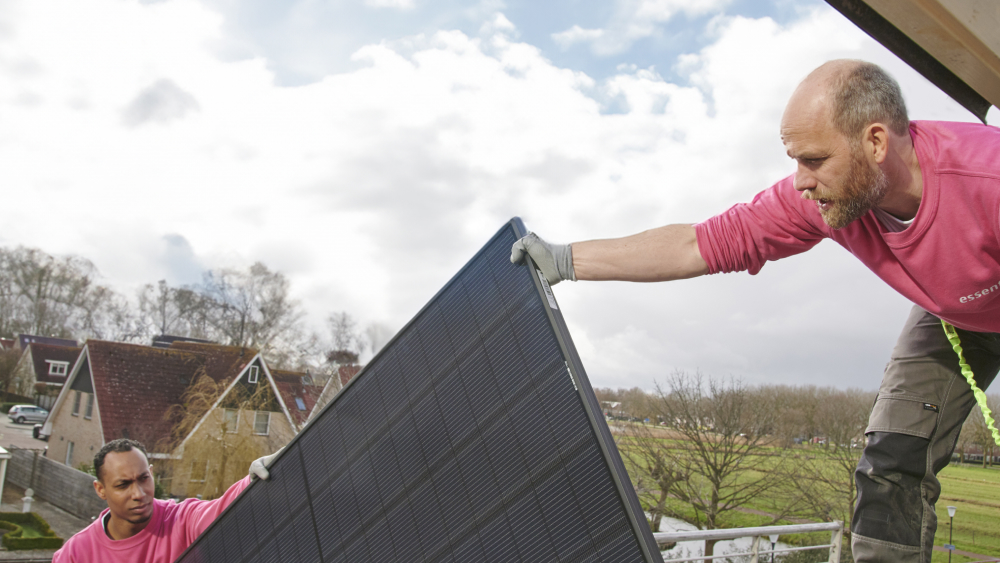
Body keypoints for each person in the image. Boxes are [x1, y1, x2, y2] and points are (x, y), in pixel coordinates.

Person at [511, 59, 1000, 563]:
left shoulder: (987, 179)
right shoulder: (821, 200)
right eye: (795, 160)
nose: (801, 181)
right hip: (953, 310)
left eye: (813, 159)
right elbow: (696, 245)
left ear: (875, 142)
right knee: (892, 460)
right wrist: (567, 260)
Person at [52, 439, 279, 563]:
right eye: (123, 485)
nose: (138, 493)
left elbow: (221, 508)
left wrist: (251, 480)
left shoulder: (181, 520)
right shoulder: (75, 554)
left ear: (152, 473)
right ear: (100, 489)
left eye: (144, 479)